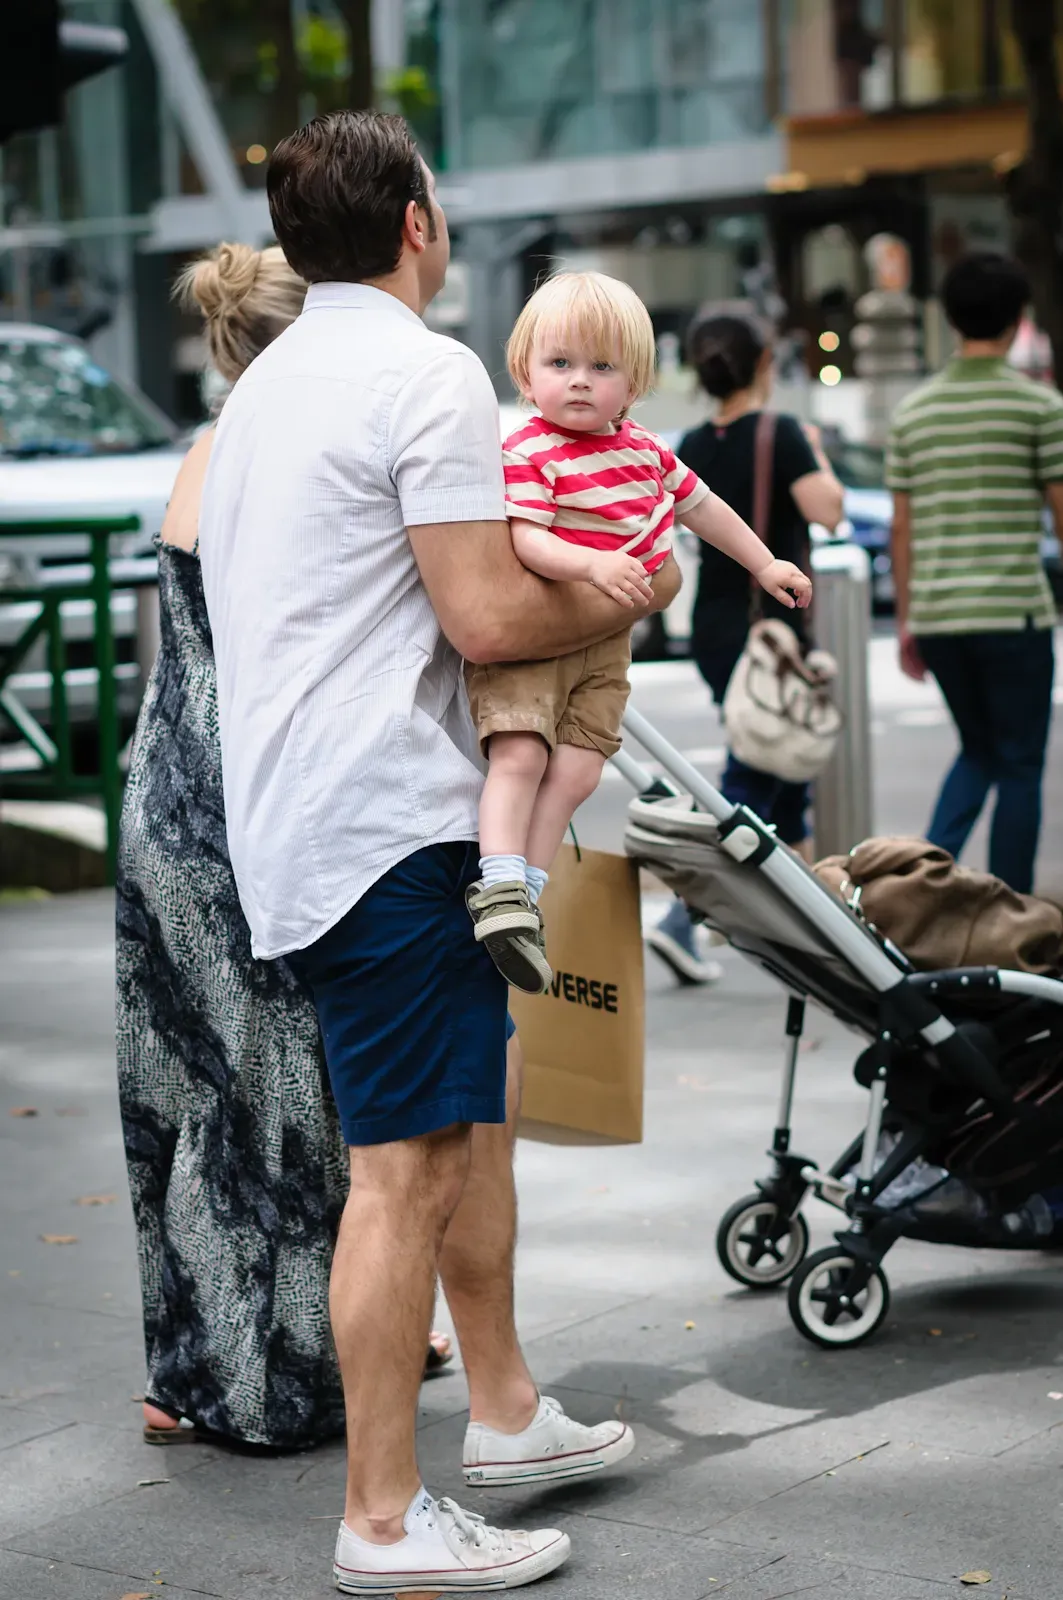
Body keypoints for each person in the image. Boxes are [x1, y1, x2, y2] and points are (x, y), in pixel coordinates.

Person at [198, 111, 684, 1595]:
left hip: (305, 813)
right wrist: (629, 591)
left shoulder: (272, 382)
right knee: (401, 1170)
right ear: (415, 222)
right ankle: (386, 1521)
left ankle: (507, 1415)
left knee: (474, 1117)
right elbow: (485, 618)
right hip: (392, 822)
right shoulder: (423, 370)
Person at [115, 241, 450, 1454]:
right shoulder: (293, 448)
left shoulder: (209, 450)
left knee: (189, 1095)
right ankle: (280, 1373)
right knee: (287, 1096)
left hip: (161, 787)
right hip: (246, 796)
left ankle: (184, 1370)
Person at [465, 271, 813, 995]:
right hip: (539, 634)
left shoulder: (645, 451)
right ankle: (497, 885)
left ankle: (522, 900)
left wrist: (764, 561)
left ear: (636, 382)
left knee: (580, 770)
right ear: (524, 371)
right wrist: (593, 564)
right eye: (560, 364)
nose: (581, 383)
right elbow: (527, 540)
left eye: (602, 367)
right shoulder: (528, 449)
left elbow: (703, 507)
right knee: (521, 754)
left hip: (605, 645)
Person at [647, 306, 844, 983]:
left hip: (715, 625)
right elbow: (827, 509)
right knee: (751, 776)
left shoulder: (694, 442)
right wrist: (812, 450)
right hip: (770, 628)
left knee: (777, 772)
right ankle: (682, 918)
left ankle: (808, 928)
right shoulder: (780, 431)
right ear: (764, 361)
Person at [888, 251, 1063, 895]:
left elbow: (901, 529)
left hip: (938, 616)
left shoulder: (913, 413)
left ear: (951, 321)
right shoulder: (1039, 407)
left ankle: (915, 888)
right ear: (1019, 321)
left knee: (978, 753)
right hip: (1013, 614)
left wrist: (909, 620)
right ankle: (1015, 913)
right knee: (1019, 765)